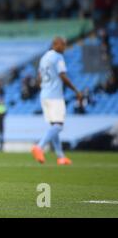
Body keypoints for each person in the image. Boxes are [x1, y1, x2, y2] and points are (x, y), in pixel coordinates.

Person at [31, 37, 82, 165]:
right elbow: (63, 75)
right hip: (55, 96)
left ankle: (61, 156)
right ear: (55, 44)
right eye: (62, 45)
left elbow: (39, 77)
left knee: (54, 126)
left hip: (44, 94)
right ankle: (39, 147)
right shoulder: (58, 57)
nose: (64, 47)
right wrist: (76, 90)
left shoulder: (44, 58)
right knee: (58, 125)